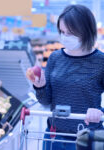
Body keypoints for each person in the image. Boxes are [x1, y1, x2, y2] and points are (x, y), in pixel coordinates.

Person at [26, 4, 104, 150]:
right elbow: (46, 101)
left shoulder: (100, 61)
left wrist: (100, 111)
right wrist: (40, 86)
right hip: (54, 135)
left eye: (71, 33)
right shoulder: (55, 58)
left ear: (86, 31)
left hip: (89, 136)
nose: (65, 37)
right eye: (62, 31)